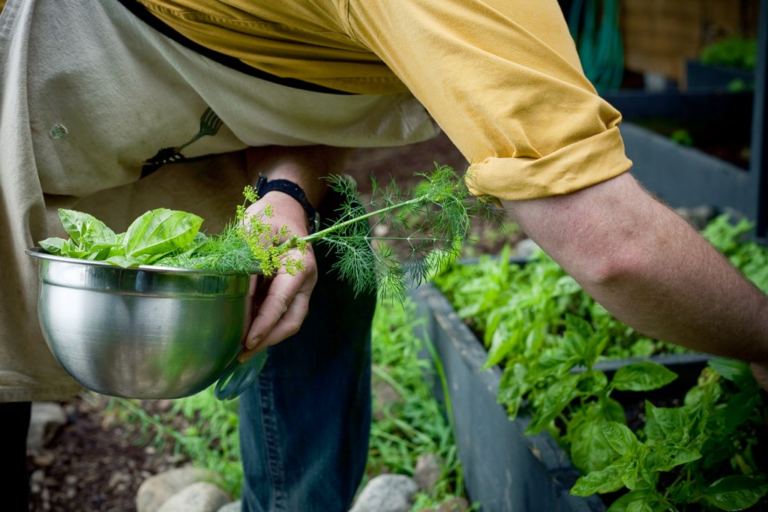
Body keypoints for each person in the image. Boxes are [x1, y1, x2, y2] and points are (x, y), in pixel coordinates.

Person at [0, 0, 766, 511]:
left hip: (179, 107)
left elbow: (284, 67)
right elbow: (613, 244)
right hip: (37, 72)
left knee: (328, 245)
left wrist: (285, 196)